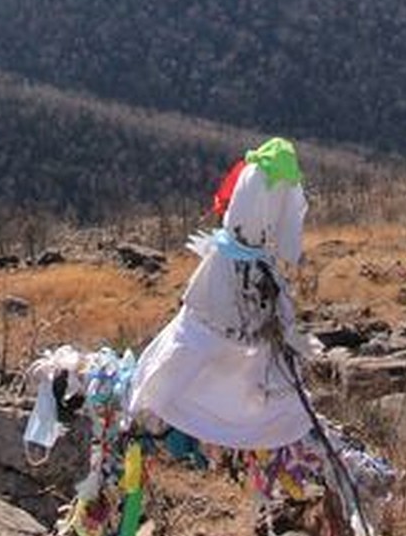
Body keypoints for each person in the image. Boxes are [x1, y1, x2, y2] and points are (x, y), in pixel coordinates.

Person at [127, 136, 314, 448]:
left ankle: (159, 401)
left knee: (197, 341)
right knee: (233, 346)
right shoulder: (273, 179)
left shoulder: (253, 172)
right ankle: (248, 417)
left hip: (234, 264)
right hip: (245, 266)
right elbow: (279, 229)